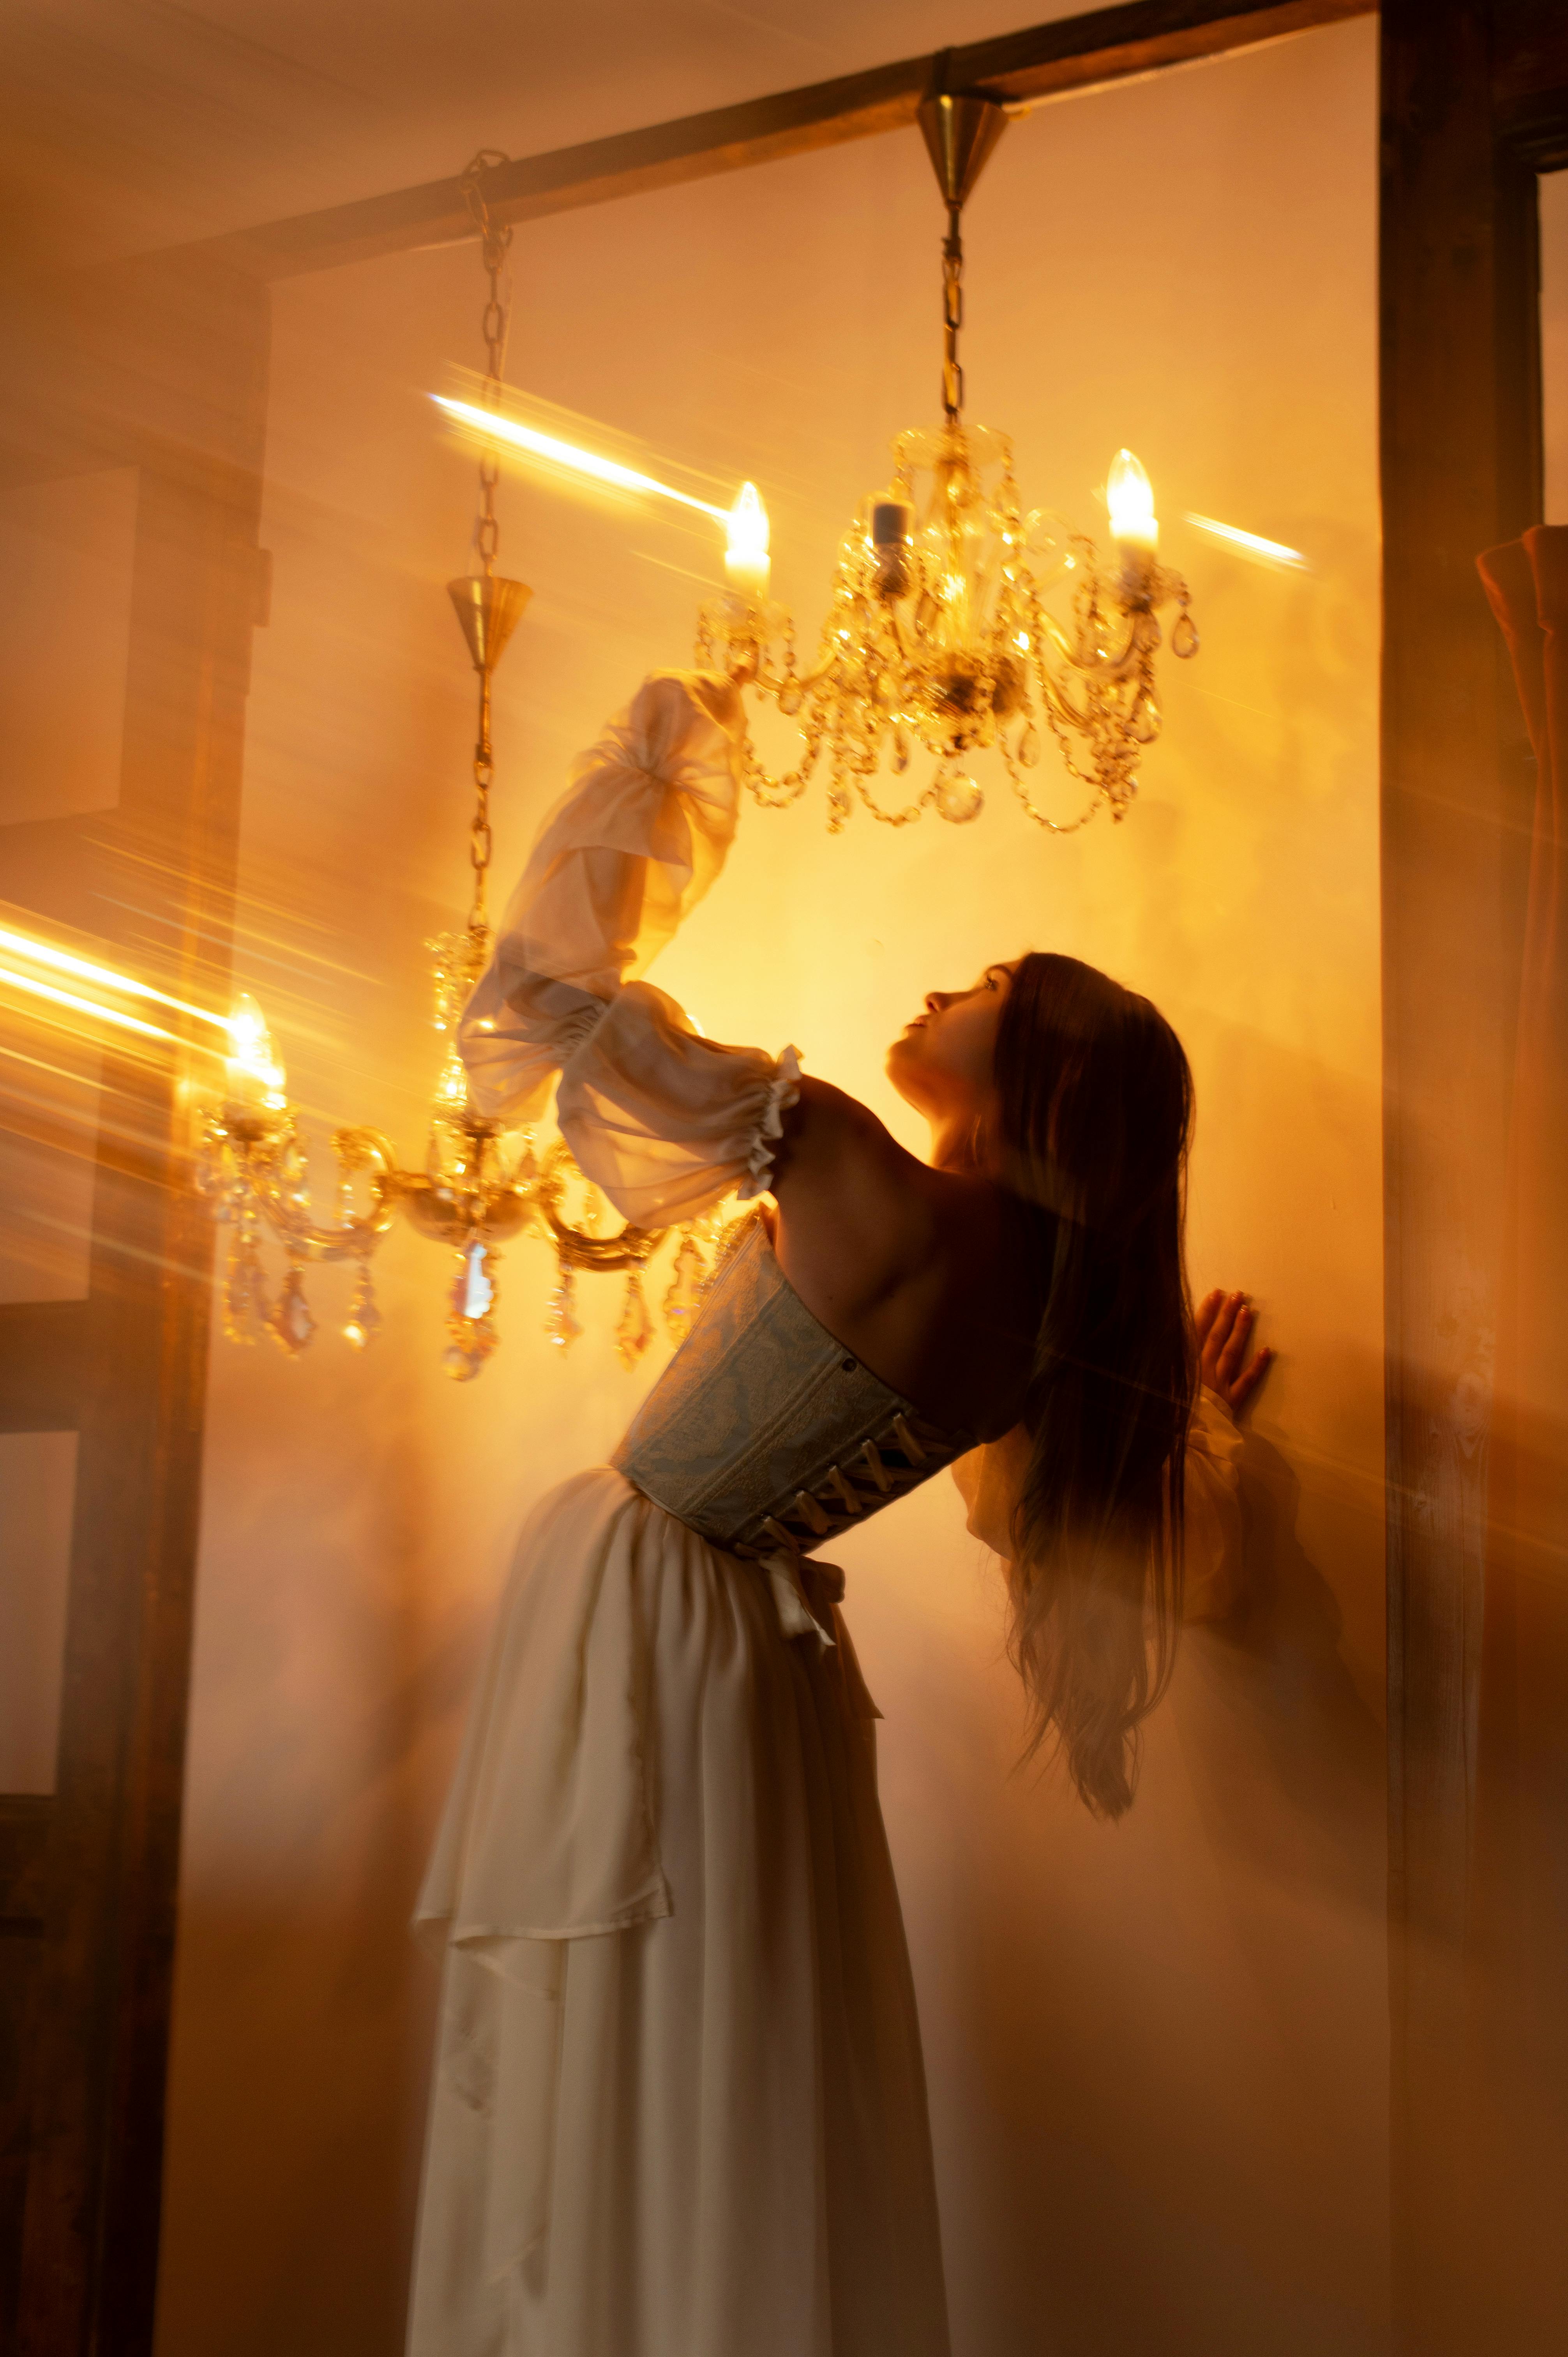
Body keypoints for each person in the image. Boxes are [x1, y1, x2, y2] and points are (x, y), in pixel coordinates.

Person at [406, 670, 1270, 2357]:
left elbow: (533, 1015)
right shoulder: (1048, 1331)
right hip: (764, 1664)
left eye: (990, 984)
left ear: (1037, 1069)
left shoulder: (850, 1160)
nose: (948, 984)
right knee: (726, 2034)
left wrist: (649, 783)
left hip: (649, 1597)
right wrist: (1210, 1421)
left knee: (612, 2026)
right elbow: (1044, 1529)